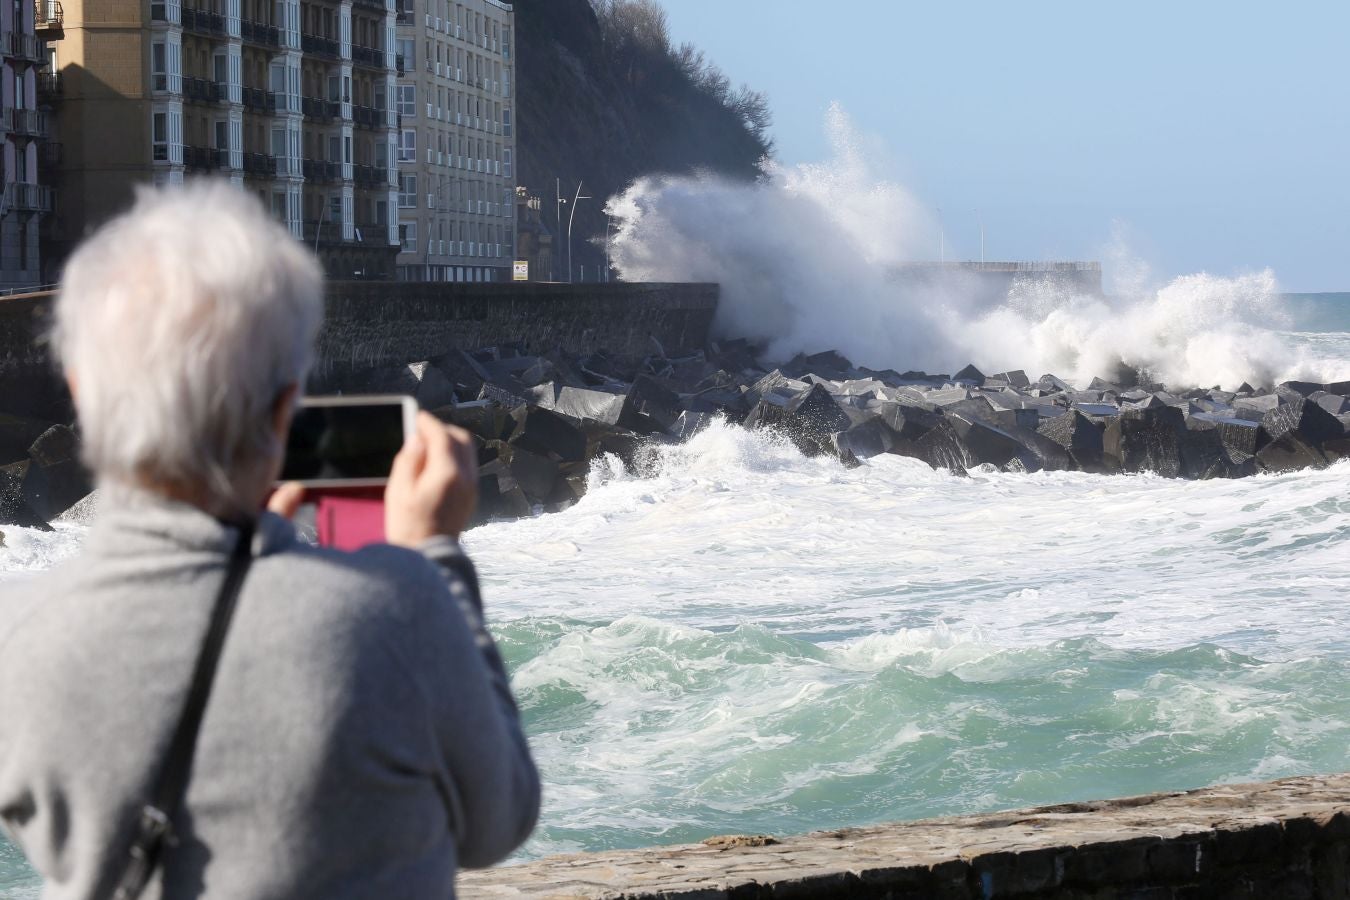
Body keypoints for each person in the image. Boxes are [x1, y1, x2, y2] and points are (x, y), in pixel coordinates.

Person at [0, 182, 539, 898]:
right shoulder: (396, 611)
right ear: (287, 409)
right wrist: (435, 556)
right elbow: (500, 818)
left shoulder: (19, 640)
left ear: (79, 390)